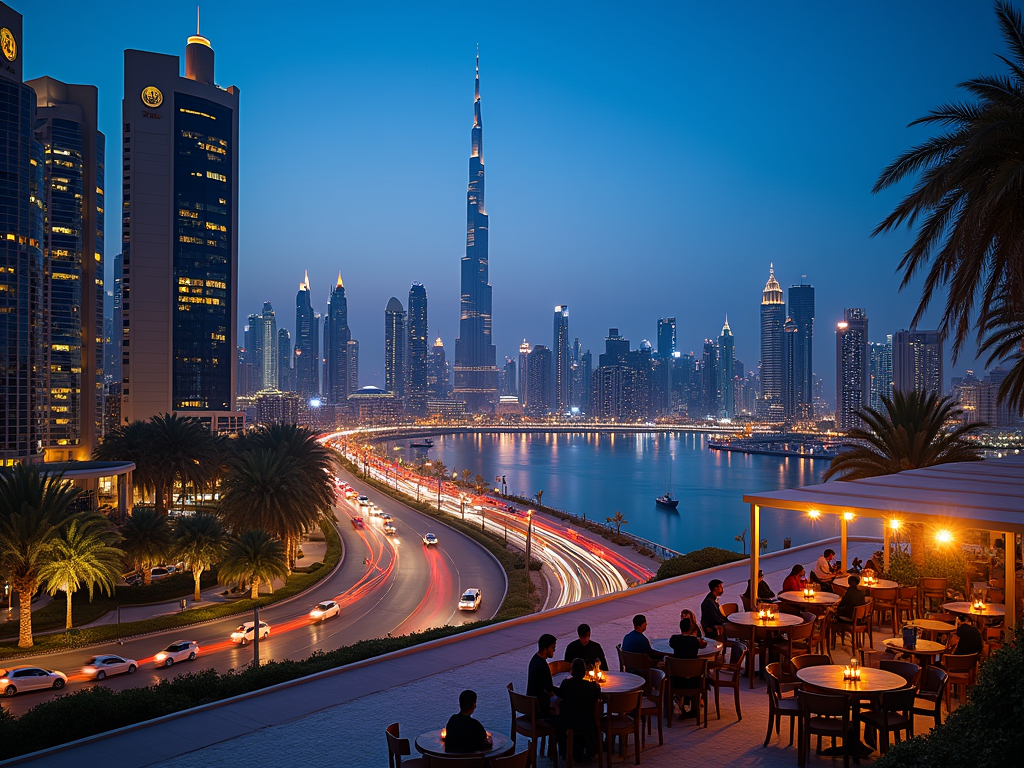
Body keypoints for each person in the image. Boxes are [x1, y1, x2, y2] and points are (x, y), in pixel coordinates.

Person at [556, 657, 601, 763]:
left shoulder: (566, 684)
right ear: (584, 673)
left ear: (571, 672)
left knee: (556, 719)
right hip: (588, 722)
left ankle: (563, 751)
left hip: (569, 721)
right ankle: (592, 750)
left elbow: (559, 699)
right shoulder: (592, 687)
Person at [668, 617, 707, 718]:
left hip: (676, 680)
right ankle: (694, 707)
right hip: (693, 681)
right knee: (703, 675)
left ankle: (676, 705)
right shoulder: (695, 641)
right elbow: (704, 644)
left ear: (680, 628)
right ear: (690, 629)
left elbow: (671, 645)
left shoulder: (674, 639)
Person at [527, 633, 558, 719]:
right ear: (545, 649)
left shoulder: (535, 659)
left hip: (531, 703)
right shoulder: (542, 666)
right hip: (539, 708)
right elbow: (549, 688)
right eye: (553, 647)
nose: (554, 650)